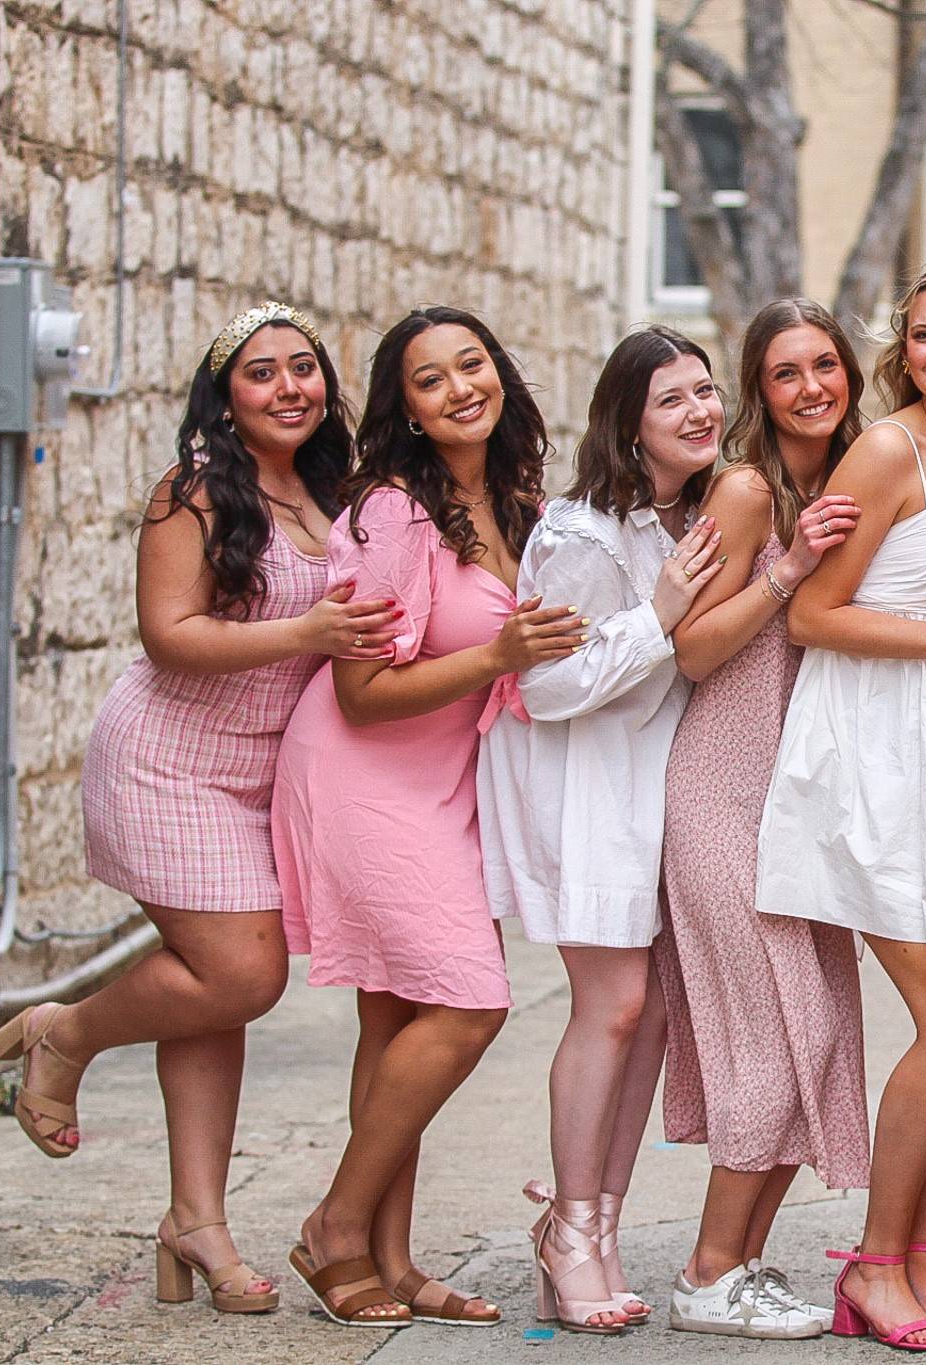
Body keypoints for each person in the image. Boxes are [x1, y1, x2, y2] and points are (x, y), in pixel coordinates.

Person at [0, 304, 394, 1314]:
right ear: (226, 399)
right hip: (170, 760)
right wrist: (309, 632)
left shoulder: (332, 490)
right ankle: (65, 1032)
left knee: (212, 991)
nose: (291, 387)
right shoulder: (196, 491)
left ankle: (196, 1223)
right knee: (241, 973)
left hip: (262, 772)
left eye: (305, 368)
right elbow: (169, 634)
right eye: (263, 374)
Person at [269, 307, 583, 1328]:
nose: (459, 388)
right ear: (401, 407)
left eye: (472, 365)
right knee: (467, 1003)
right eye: (429, 378)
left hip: (449, 780)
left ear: (500, 374)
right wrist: (500, 657)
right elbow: (360, 691)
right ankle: (335, 1227)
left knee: (398, 1013)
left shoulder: (516, 503)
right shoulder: (392, 514)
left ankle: (391, 1262)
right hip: (365, 773)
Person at [761, 263, 926, 1351]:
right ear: (903, 351)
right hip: (875, 753)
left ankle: (922, 1253)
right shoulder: (886, 451)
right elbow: (813, 617)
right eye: (924, 335)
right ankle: (874, 1263)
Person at [476, 325, 725, 1335]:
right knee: (613, 1008)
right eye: (672, 400)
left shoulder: (698, 514)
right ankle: (568, 1229)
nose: (700, 411)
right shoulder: (580, 534)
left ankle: (600, 1227)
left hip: (665, 786)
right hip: (589, 790)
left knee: (654, 1015)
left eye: (706, 391)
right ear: (628, 424)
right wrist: (657, 618)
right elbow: (543, 684)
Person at [651, 297, 870, 1340]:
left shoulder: (858, 476)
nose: (810, 388)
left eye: (823, 366)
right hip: (724, 790)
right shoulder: (744, 492)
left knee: (815, 1036)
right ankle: (703, 1273)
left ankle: (738, 1264)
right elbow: (691, 651)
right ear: (759, 390)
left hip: (808, 802)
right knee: (772, 1041)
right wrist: (787, 570)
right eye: (786, 373)